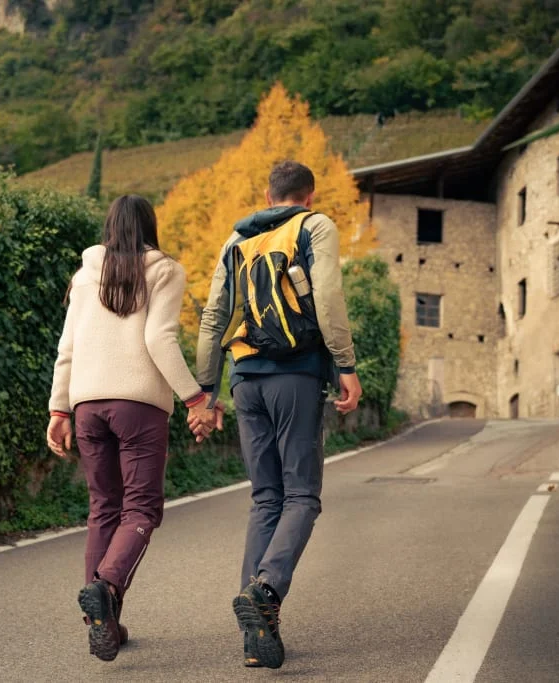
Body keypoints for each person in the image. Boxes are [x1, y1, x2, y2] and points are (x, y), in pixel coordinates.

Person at [193, 160, 362, 669]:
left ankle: (255, 638)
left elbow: (213, 316)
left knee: (266, 498)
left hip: (244, 379)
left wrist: (206, 389)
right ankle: (265, 590)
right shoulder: (314, 226)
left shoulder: (235, 239)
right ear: (307, 196)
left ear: (268, 195)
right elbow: (328, 298)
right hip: (296, 374)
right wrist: (347, 367)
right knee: (302, 496)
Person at [46, 195, 220, 662]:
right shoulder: (164, 270)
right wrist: (195, 398)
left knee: (104, 509)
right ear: (150, 227)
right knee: (141, 509)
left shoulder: (84, 276)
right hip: (138, 405)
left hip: (85, 405)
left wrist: (58, 410)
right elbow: (158, 338)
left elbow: (68, 346)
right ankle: (104, 589)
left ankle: (103, 621)